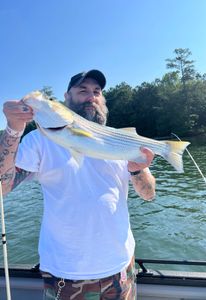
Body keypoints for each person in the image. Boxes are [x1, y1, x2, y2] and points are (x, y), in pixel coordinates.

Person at [0, 70, 156, 300]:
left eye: (96, 91)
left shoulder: (118, 139)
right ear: (66, 97)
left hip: (121, 268)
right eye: (82, 90)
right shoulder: (39, 140)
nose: (91, 96)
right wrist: (13, 128)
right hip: (67, 273)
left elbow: (148, 194)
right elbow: (3, 186)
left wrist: (138, 169)